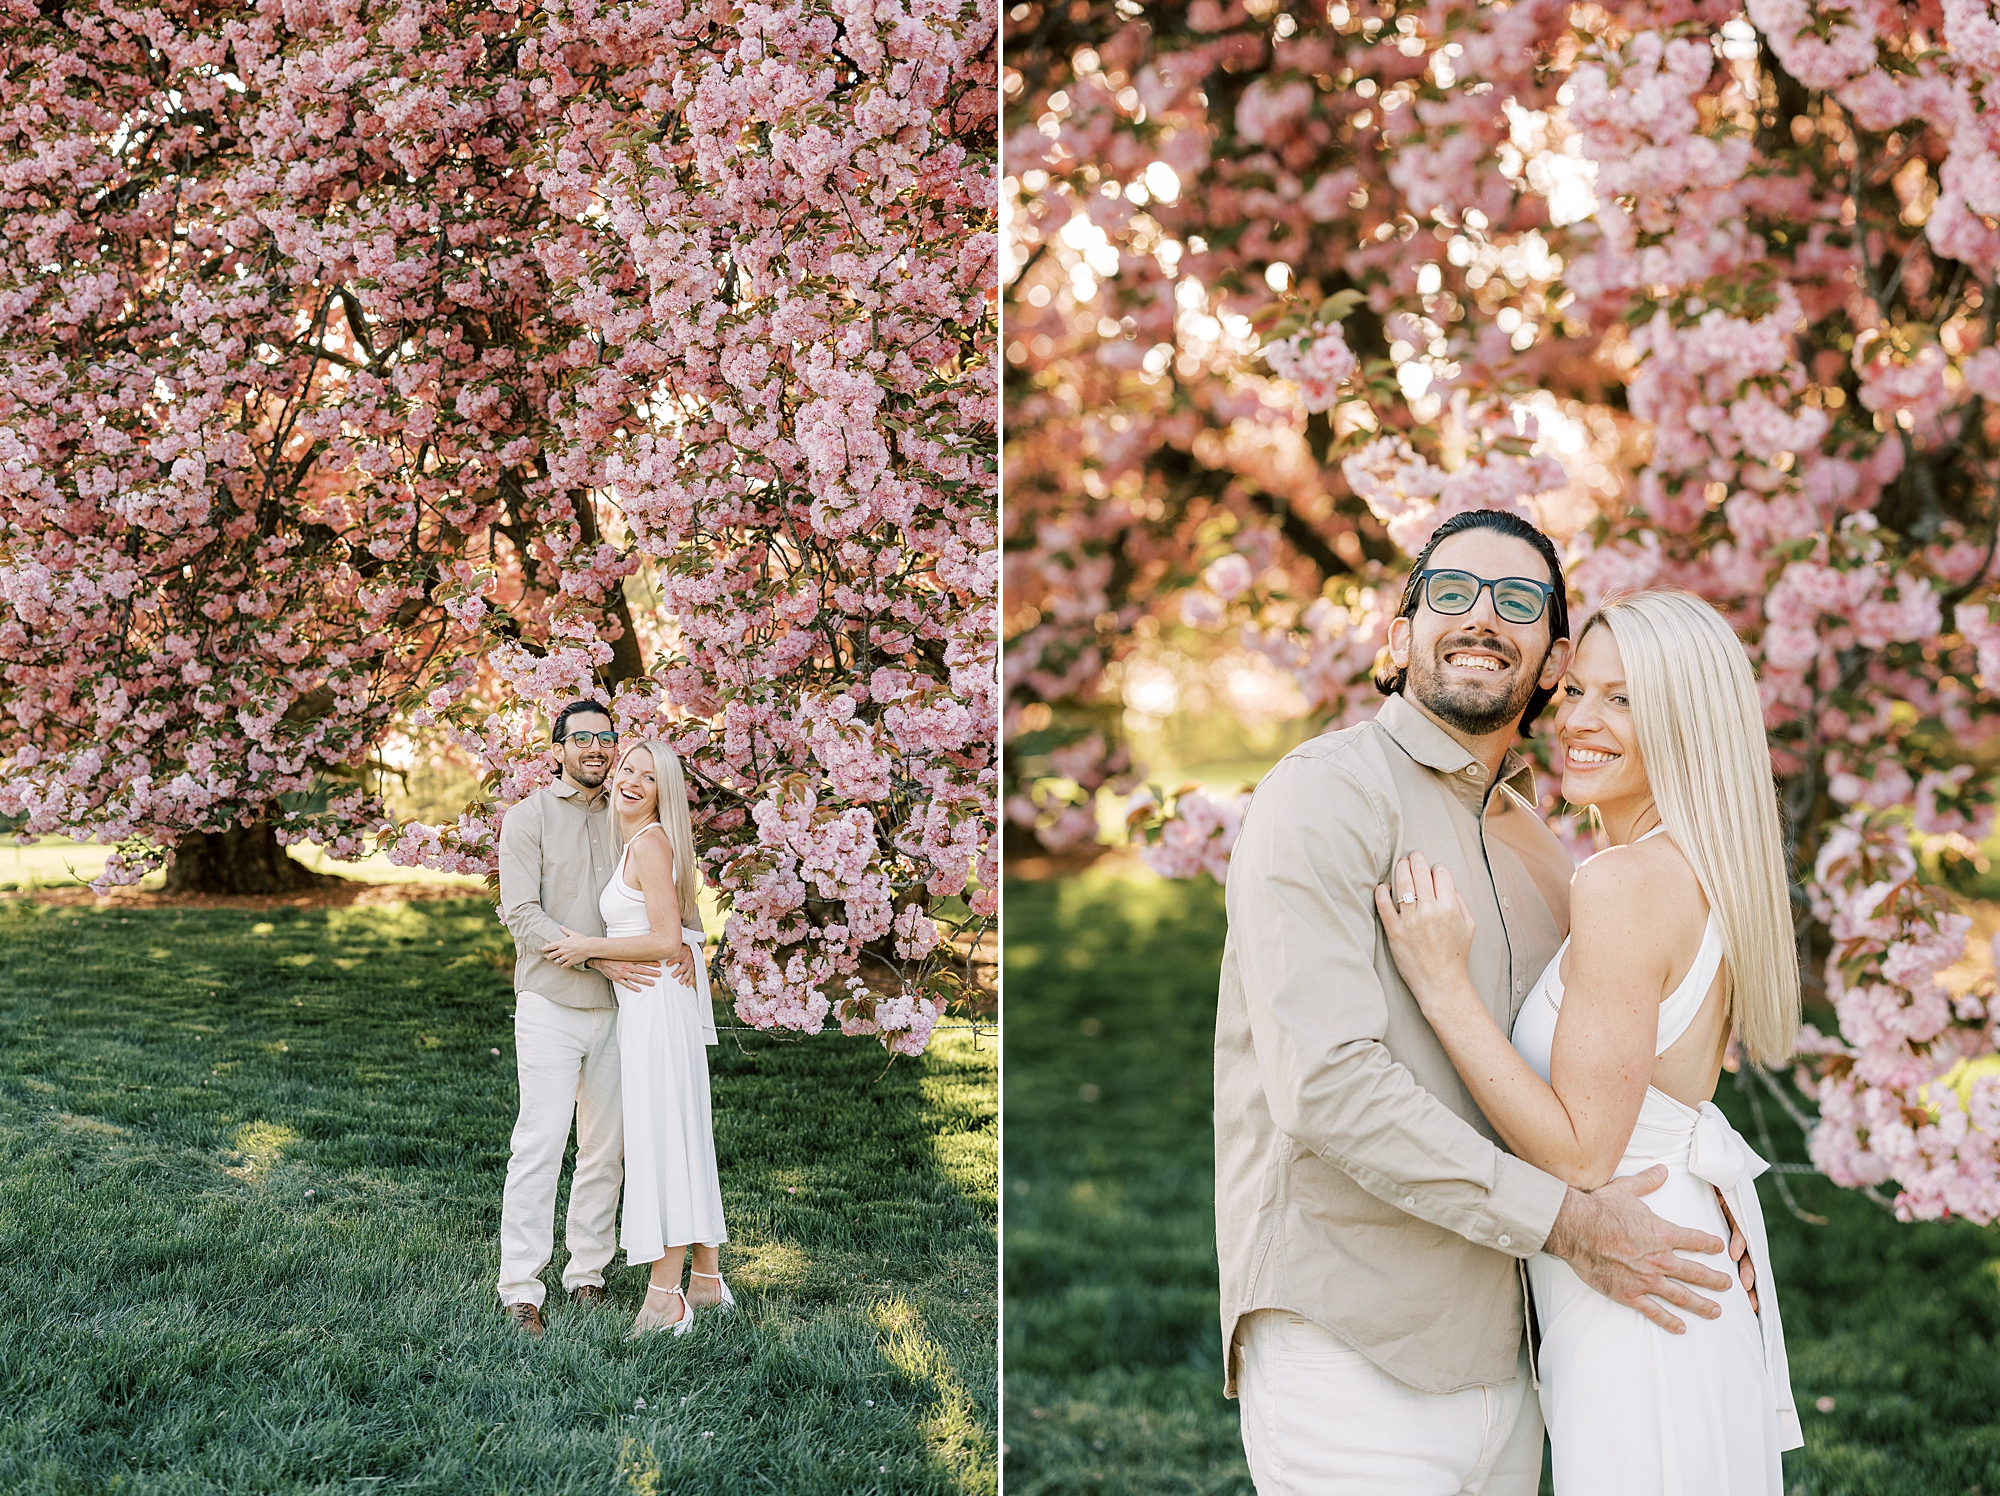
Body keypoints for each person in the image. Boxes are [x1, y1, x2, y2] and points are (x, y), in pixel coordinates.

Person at [1216, 509, 1748, 1496]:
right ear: (1400, 628)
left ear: (1547, 654)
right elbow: (1325, 1086)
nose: (1481, 616)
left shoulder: (1548, 845)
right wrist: (1565, 1219)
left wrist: (1698, 1184)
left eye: (1518, 600)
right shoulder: (1325, 795)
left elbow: (1608, 1060)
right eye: (1450, 590)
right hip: (1356, 1337)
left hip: (1522, 1350)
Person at [1378, 587, 1800, 1494]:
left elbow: (1582, 1151)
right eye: (1576, 692)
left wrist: (1444, 985)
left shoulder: (1623, 882)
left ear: (1687, 722)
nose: (1579, 720)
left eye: (1625, 699)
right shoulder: (1692, 864)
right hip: (1665, 1249)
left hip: (1640, 1287)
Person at [494, 701, 694, 1335]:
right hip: (551, 1002)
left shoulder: (628, 818)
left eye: (606, 738)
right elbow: (521, 914)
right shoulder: (527, 818)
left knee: (605, 1150)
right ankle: (521, 1286)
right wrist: (598, 962)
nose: (596, 749)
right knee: (540, 1144)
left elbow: (656, 903)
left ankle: (588, 1274)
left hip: (622, 1013)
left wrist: (690, 945)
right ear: (558, 748)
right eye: (581, 738)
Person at [542, 739, 730, 1337]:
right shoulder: (643, 844)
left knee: (662, 1144)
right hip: (650, 1007)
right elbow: (680, 932)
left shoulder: (649, 844)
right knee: (681, 1135)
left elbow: (666, 940)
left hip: (656, 1010)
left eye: (648, 778)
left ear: (661, 793)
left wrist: (586, 946)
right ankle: (705, 1282)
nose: (631, 781)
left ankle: (663, 1300)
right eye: (628, 769)